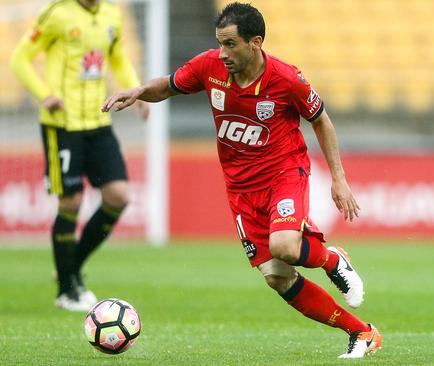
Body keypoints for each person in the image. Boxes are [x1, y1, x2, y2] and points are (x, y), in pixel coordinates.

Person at [102, 2, 381, 359]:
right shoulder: (210, 67)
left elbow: (322, 120)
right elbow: (169, 86)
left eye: (230, 44)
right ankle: (361, 332)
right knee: (277, 277)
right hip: (240, 188)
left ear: (256, 42)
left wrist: (338, 179)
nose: (223, 53)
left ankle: (330, 260)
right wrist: (139, 91)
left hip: (284, 172)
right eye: (220, 43)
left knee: (284, 247)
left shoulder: (287, 78)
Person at [10, 0, 149, 312]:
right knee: (70, 202)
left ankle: (70, 267)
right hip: (63, 125)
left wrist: (135, 90)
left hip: (98, 122)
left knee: (119, 196)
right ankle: (66, 290)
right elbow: (20, 59)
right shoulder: (57, 13)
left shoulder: (112, 15)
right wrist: (45, 94)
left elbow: (117, 57)